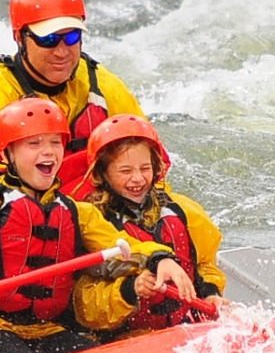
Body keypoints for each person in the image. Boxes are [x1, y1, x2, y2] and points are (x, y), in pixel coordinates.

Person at [0, 97, 194, 353]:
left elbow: (123, 246)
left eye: (55, 143)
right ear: (7, 153)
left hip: (46, 329)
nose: (48, 151)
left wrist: (159, 259)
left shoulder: (74, 211)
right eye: (34, 144)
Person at [0, 0, 145, 199]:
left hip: (91, 206)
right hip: (17, 208)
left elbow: (148, 159)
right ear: (20, 37)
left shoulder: (99, 83)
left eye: (71, 37)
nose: (61, 52)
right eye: (47, 39)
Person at [84, 114, 228, 329]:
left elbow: (205, 265)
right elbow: (84, 305)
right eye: (125, 171)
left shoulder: (184, 210)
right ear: (100, 174)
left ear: (156, 167)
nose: (138, 179)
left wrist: (211, 294)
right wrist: (131, 288)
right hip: (128, 338)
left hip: (186, 325)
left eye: (145, 168)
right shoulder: (93, 223)